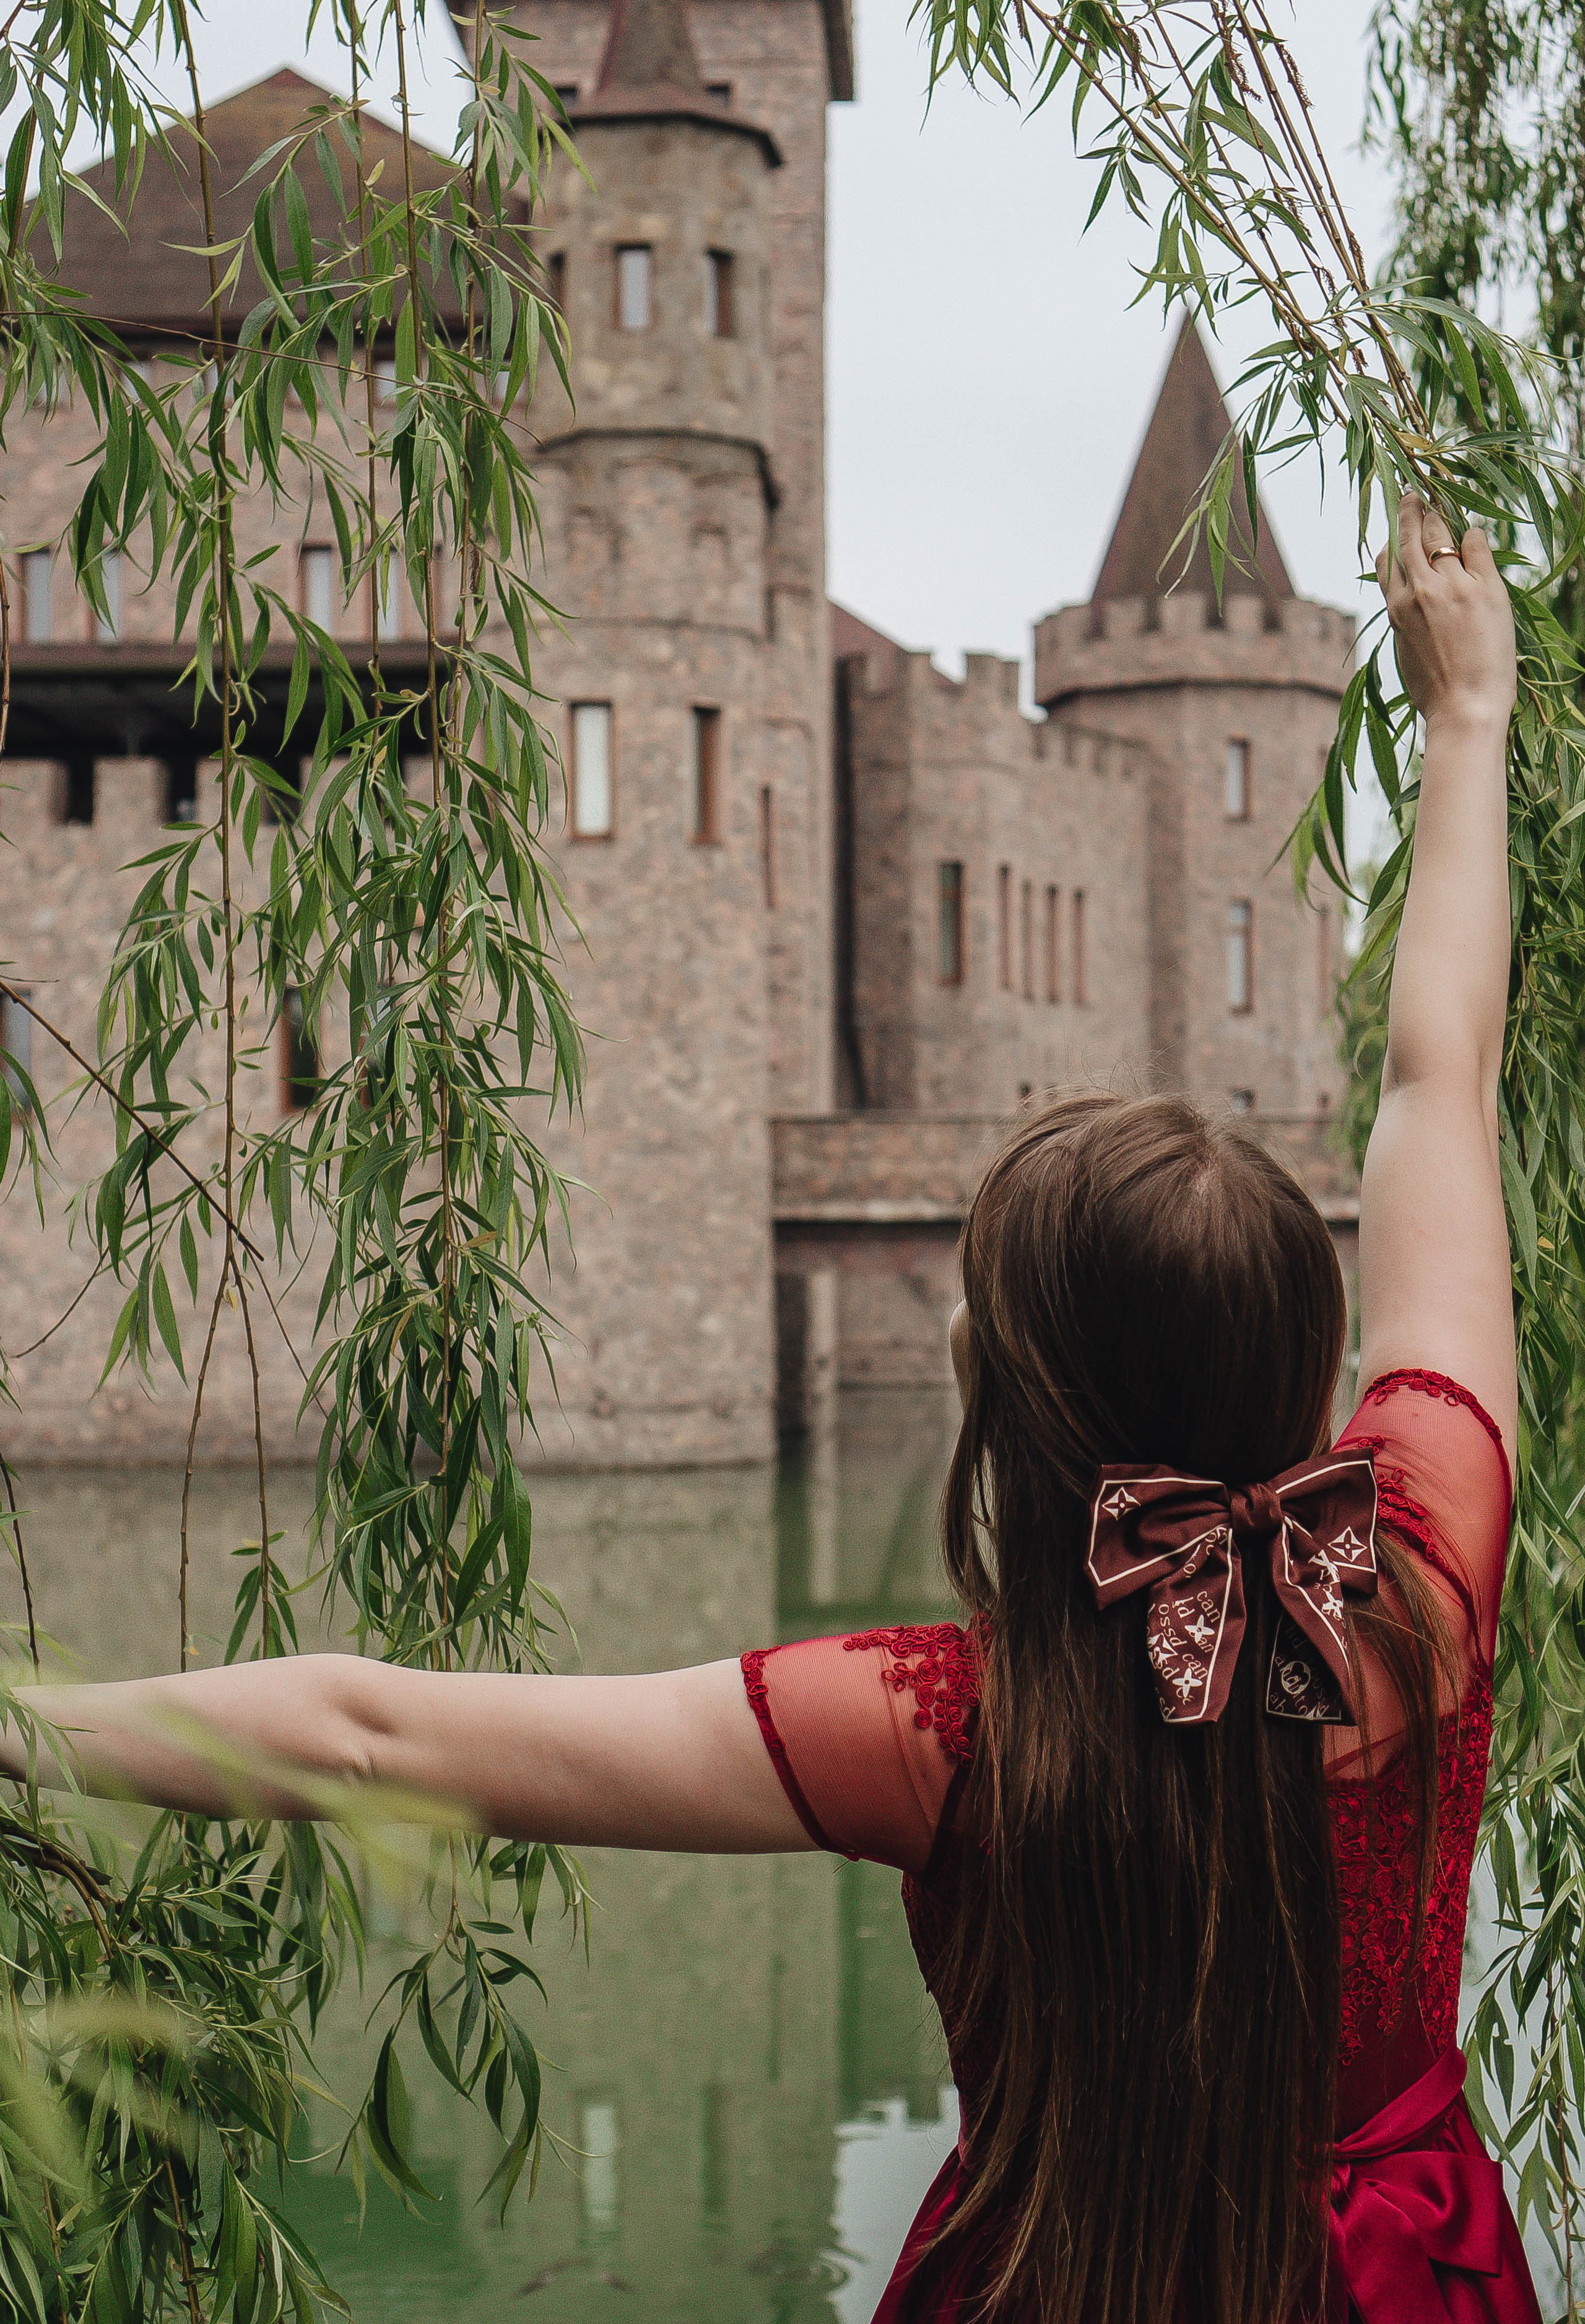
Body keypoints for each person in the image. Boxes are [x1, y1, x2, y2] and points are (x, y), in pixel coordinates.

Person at [0, 494, 1535, 2323]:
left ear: (1002, 1388)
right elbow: (1443, 1082)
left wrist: (26, 1729)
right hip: (1404, 2277)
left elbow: (367, 1737)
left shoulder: (952, 1729)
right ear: (1313, 1357)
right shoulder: (1426, 1579)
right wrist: (1469, 723)